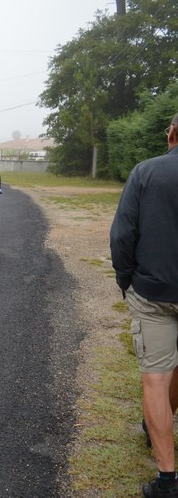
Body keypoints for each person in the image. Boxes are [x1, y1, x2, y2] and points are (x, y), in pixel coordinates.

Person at [110, 113, 178, 498]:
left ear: (171, 133)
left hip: (154, 293)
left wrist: (125, 278)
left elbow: (123, 232)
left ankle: (167, 480)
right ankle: (159, 425)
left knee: (156, 376)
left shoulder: (146, 172)